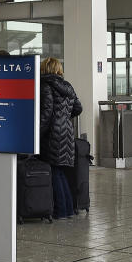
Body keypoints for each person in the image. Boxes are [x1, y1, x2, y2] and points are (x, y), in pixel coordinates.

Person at [39, 57, 82, 219]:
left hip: (52, 133)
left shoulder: (45, 86)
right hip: (67, 132)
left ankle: (61, 210)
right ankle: (69, 209)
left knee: (55, 172)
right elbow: (78, 108)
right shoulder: (67, 86)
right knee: (60, 171)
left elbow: (46, 113)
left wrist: (36, 135)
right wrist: (64, 116)